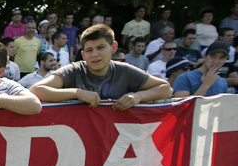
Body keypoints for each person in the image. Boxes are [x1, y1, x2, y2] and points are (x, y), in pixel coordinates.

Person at [30, 24, 173, 110]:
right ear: (83, 54)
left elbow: (166, 89)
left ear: (113, 47)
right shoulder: (74, 70)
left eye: (100, 47)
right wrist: (77, 93)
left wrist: (138, 96)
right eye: (89, 50)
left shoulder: (125, 70)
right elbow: (36, 90)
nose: (95, 54)